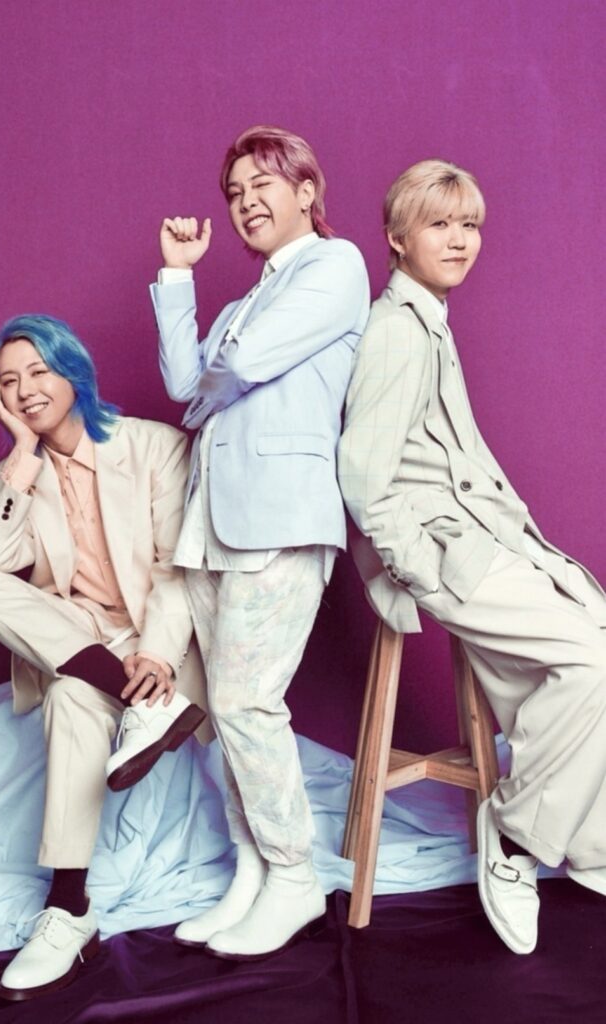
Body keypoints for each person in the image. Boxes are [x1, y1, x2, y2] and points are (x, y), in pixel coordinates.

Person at [338, 159, 606, 955]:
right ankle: (516, 836)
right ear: (397, 238)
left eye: (469, 225)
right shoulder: (397, 331)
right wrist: (422, 568)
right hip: (449, 554)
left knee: (591, 646)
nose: (459, 240)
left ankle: (585, 838)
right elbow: (364, 477)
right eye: (438, 224)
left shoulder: (429, 319)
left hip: (484, 539)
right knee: (594, 660)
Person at [150, 125, 370, 960]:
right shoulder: (246, 300)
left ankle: (293, 875)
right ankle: (251, 868)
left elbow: (241, 366)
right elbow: (184, 384)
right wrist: (179, 275)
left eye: (262, 185)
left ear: (307, 191)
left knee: (248, 705)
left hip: (281, 516)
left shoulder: (336, 265)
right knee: (228, 712)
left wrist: (223, 374)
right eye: (235, 192)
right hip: (214, 520)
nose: (245, 203)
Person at [0, 314, 206, 999]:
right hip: (82, 643)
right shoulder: (18, 473)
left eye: (38, 371)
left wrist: (158, 657)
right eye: (8, 380)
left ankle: (67, 906)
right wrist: (21, 451)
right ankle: (70, 910)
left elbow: (178, 573)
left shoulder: (155, 447)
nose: (25, 390)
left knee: (71, 693)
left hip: (154, 639)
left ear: (74, 371)